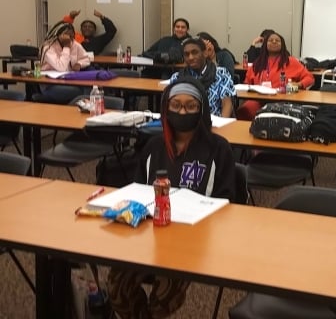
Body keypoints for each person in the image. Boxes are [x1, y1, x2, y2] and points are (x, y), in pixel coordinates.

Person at [107, 77, 236, 318]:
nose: (182, 111)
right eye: (175, 106)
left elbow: (228, 203)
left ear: (202, 109)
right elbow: (138, 189)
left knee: (163, 297)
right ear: (166, 109)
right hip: (149, 235)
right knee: (117, 286)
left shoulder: (219, 148)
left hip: (193, 240)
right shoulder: (154, 147)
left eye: (190, 106)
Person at [238, 32, 315, 120]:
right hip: (259, 99)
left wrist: (299, 84)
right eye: (270, 40)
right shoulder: (258, 63)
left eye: (277, 41)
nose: (274, 42)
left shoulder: (291, 62)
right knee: (245, 109)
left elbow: (310, 78)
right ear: (265, 45)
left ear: (282, 45)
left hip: (283, 100)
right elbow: (247, 83)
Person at [169, 38, 235, 117]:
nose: (190, 57)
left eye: (195, 53)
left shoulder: (221, 74)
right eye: (186, 54)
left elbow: (227, 104)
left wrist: (223, 125)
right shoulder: (177, 78)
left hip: (215, 123)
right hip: (186, 122)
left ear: (205, 53)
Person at [36, 21, 91, 104]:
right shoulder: (48, 47)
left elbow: (86, 58)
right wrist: (66, 47)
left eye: (71, 34)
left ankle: (83, 108)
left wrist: (79, 63)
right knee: (77, 92)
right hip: (50, 84)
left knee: (88, 88)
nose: (69, 37)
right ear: (58, 34)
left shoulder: (75, 44)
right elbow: (61, 68)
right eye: (66, 34)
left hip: (69, 80)